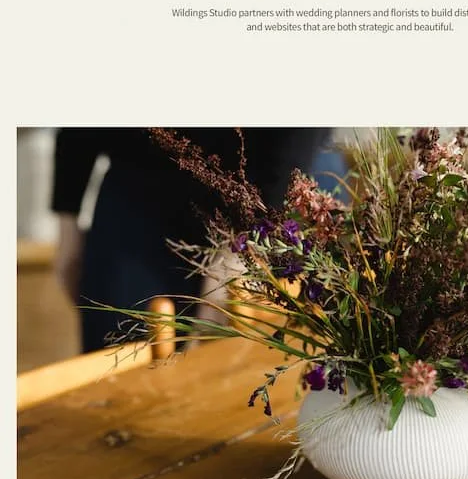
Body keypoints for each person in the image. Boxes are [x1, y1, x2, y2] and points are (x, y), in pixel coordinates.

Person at [51, 127, 332, 352]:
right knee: (118, 355)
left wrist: (241, 244)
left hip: (270, 185)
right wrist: (67, 220)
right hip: (139, 184)